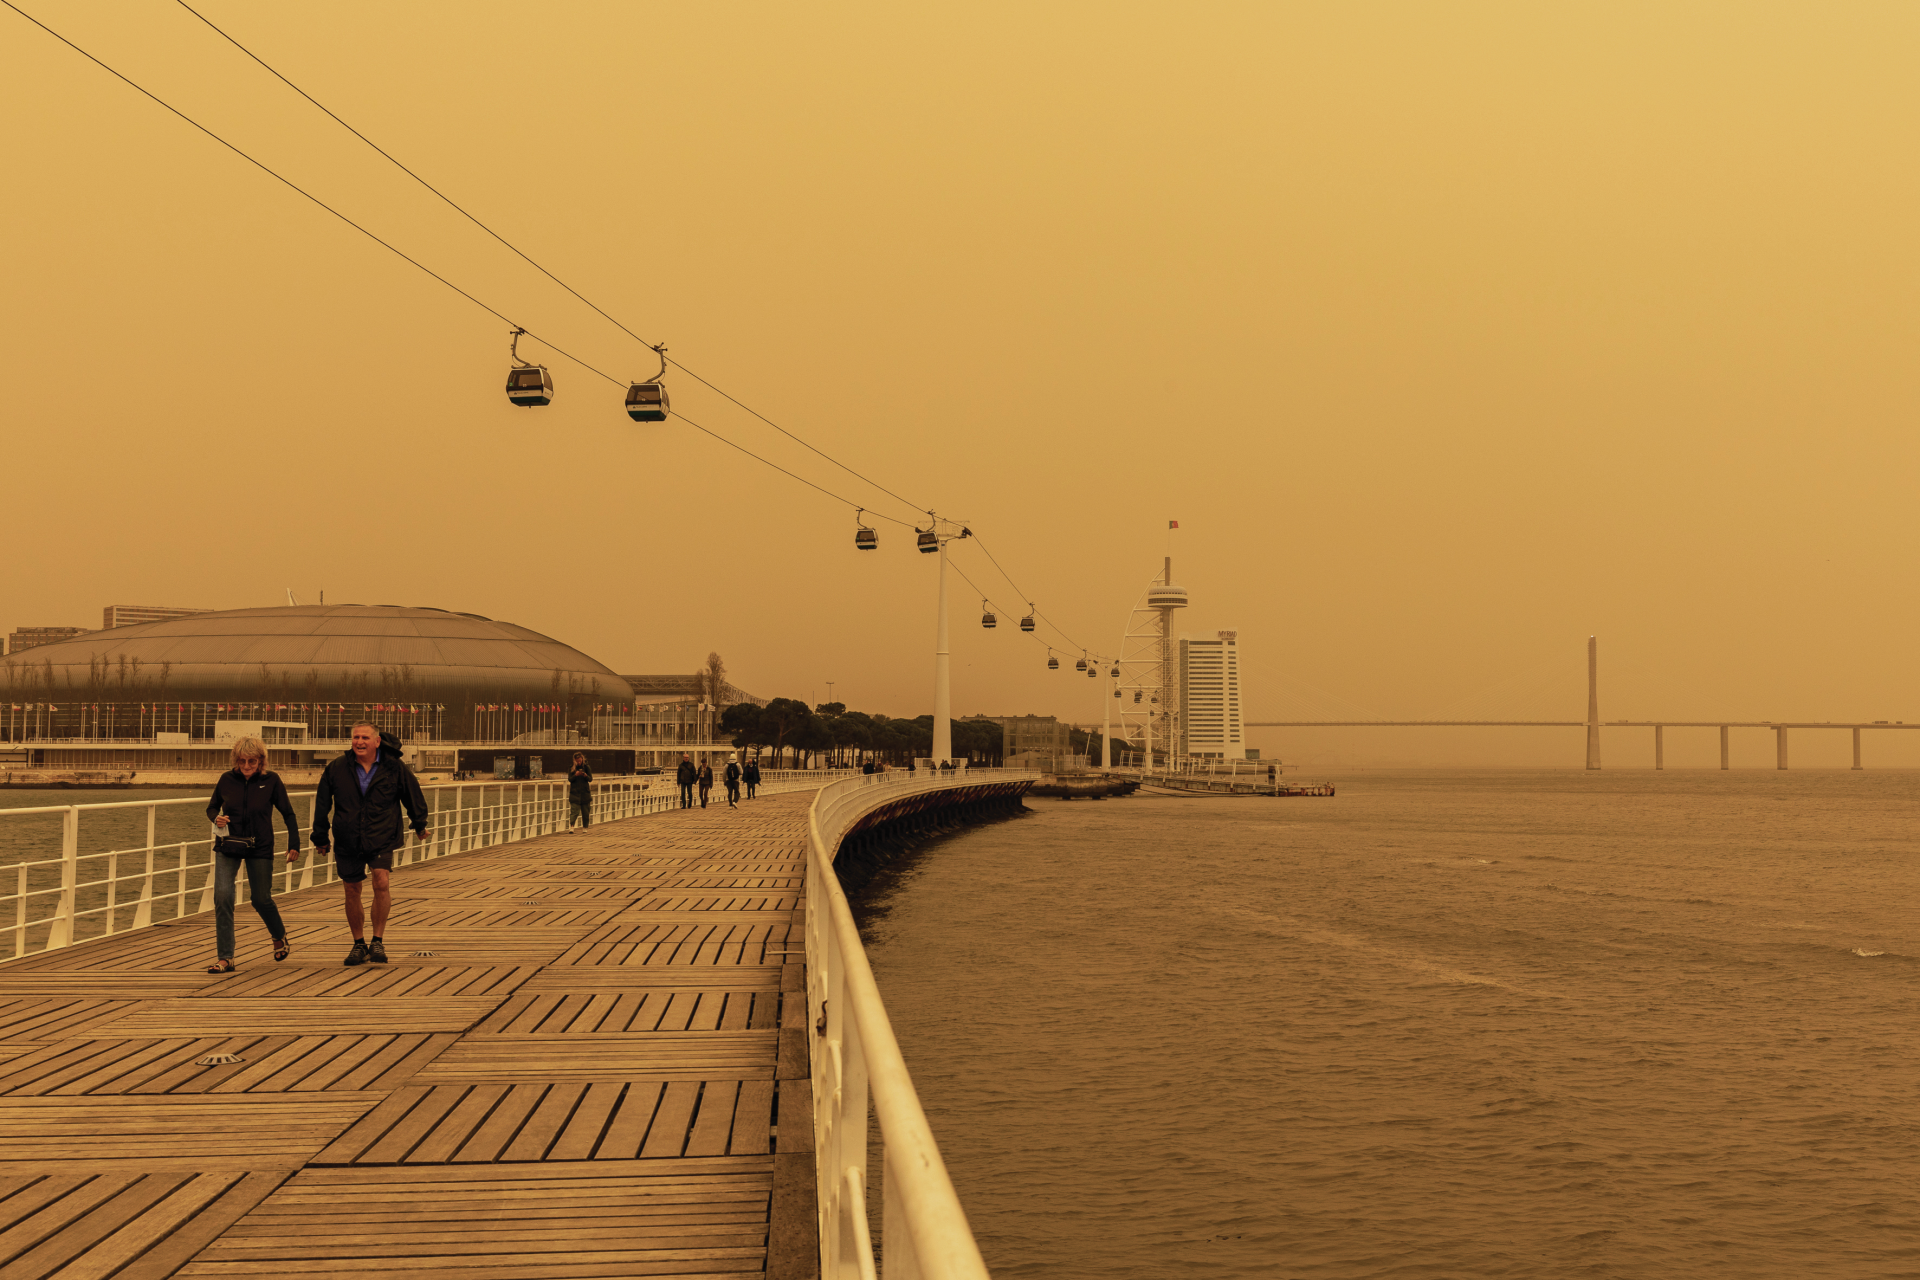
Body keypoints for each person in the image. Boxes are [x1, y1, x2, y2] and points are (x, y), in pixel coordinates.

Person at [312, 722, 431, 967]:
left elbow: (412, 794)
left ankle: (377, 940)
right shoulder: (337, 768)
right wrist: (320, 837)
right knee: (352, 889)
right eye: (355, 737)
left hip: (381, 834)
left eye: (365, 737)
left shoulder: (393, 767)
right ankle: (358, 944)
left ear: (377, 741)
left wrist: (419, 823)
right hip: (348, 837)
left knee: (381, 880)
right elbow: (322, 804)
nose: (359, 742)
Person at [203, 735, 299, 973]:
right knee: (223, 896)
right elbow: (212, 806)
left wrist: (294, 843)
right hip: (229, 845)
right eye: (242, 761)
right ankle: (226, 958)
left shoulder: (272, 781)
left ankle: (279, 936)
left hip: (260, 846)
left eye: (252, 762)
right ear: (236, 760)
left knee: (260, 899)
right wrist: (216, 817)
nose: (246, 767)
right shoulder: (226, 780)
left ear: (261, 761)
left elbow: (288, 814)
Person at [567, 753, 593, 832]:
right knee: (574, 811)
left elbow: (590, 779)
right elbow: (570, 779)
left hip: (585, 793)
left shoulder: (586, 767)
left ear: (582, 759)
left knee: (585, 812)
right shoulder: (571, 768)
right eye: (577, 760)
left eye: (580, 760)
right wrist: (575, 775)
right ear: (574, 760)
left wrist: (585, 775)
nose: (579, 762)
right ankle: (572, 827)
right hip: (575, 793)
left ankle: (585, 827)